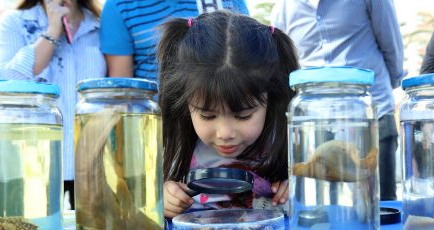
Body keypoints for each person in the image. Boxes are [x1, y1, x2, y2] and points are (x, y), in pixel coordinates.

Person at [157, 10, 300, 218]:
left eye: (243, 116)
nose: (225, 133)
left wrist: (295, 187)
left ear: (271, 100)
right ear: (185, 104)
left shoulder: (289, 144)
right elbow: (140, 207)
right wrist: (162, 198)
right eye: (208, 116)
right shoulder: (174, 148)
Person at [271, 0, 405, 201]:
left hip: (371, 110)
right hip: (317, 120)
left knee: (381, 200)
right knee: (325, 203)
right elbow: (285, 64)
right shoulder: (283, 9)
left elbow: (391, 44)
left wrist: (391, 86)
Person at [0, 0, 107, 209]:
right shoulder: (15, 22)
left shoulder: (100, 25)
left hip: (92, 159)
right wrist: (52, 31)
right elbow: (6, 82)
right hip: (32, 158)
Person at [99, 0, 249, 80]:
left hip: (222, 112)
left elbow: (246, 62)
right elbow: (124, 90)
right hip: (158, 124)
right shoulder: (118, 6)